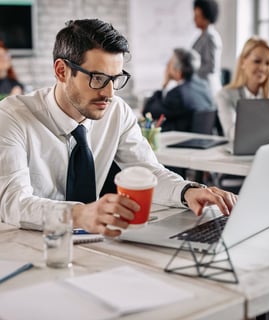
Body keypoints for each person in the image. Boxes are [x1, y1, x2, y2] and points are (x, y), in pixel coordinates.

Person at [0, 19, 237, 238]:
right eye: (98, 78)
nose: (109, 93)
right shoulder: (13, 116)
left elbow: (147, 170)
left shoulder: (117, 111)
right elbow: (13, 203)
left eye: (115, 78)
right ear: (62, 71)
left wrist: (187, 192)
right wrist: (80, 215)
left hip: (93, 245)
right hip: (28, 244)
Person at [217, 36, 269, 141]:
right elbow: (233, 134)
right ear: (242, 62)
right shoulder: (225, 95)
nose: (263, 68)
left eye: (268, 63)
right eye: (257, 61)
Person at [143, 47, 214, 132]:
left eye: (170, 63)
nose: (167, 65)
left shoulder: (177, 94)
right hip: (201, 140)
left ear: (178, 71)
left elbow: (148, 112)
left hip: (179, 140)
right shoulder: (205, 87)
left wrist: (164, 85)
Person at [192, 0, 222, 99]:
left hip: (207, 89)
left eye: (197, 16)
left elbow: (211, 66)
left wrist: (191, 73)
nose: (194, 19)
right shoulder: (203, 35)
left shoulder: (210, 37)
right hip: (201, 86)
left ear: (206, 17)